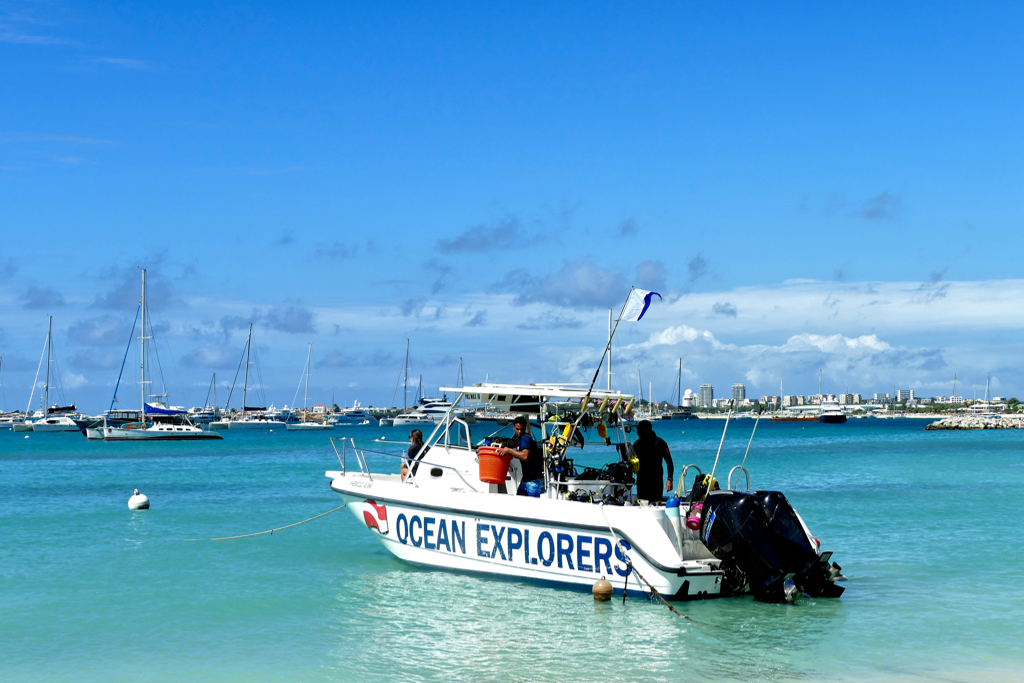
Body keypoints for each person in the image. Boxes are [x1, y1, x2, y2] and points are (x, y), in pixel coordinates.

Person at [497, 415, 545, 497]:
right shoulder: (519, 439)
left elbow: (525, 456)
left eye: (522, 429)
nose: (519, 432)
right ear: (513, 428)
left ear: (525, 428)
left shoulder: (526, 437)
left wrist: (509, 451)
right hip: (525, 480)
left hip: (535, 482)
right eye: (517, 429)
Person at [632, 420, 673, 503]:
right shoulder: (637, 444)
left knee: (656, 505)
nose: (637, 432)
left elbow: (669, 462)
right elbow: (630, 461)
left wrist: (669, 479)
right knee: (642, 506)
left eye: (640, 430)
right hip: (642, 483)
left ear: (647, 430)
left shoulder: (660, 443)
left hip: (656, 482)